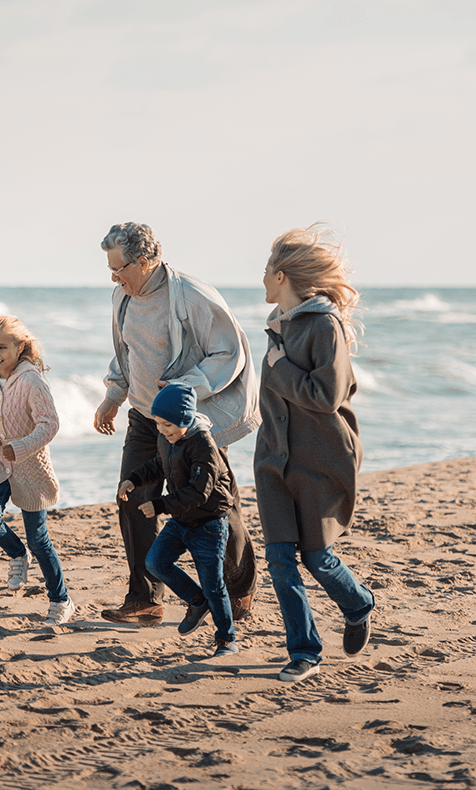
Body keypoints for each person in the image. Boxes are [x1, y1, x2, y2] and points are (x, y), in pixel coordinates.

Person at [94, 222, 260, 627]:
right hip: (143, 416)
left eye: (120, 269)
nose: (114, 278)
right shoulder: (123, 297)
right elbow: (127, 353)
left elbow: (228, 351)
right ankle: (145, 599)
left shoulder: (191, 296)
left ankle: (239, 588)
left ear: (145, 261)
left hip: (191, 422)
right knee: (131, 496)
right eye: (110, 270)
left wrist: (188, 387)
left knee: (216, 504)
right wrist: (112, 397)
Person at [254, 225, 375, 682]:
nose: (262, 278)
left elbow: (326, 396)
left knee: (317, 556)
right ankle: (304, 651)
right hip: (273, 459)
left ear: (282, 276)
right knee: (281, 560)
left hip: (321, 457)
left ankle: (358, 602)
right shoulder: (277, 326)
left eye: (266, 270)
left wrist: (281, 368)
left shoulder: (324, 325)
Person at [118, 383, 238, 658]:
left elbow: (200, 492)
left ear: (185, 419)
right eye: (159, 424)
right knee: (155, 562)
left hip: (209, 523)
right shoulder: (167, 438)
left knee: (213, 583)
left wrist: (160, 505)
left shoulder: (204, 445)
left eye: (168, 425)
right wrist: (133, 479)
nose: (162, 430)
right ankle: (197, 602)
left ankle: (226, 639)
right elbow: (159, 465)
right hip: (183, 519)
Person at [0, 315, 74, 626]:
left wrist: (23, 446)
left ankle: (61, 600)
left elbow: (49, 424)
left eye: (2, 346)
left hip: (29, 465)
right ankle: (17, 555)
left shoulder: (32, 381)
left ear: (20, 347)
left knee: (38, 538)